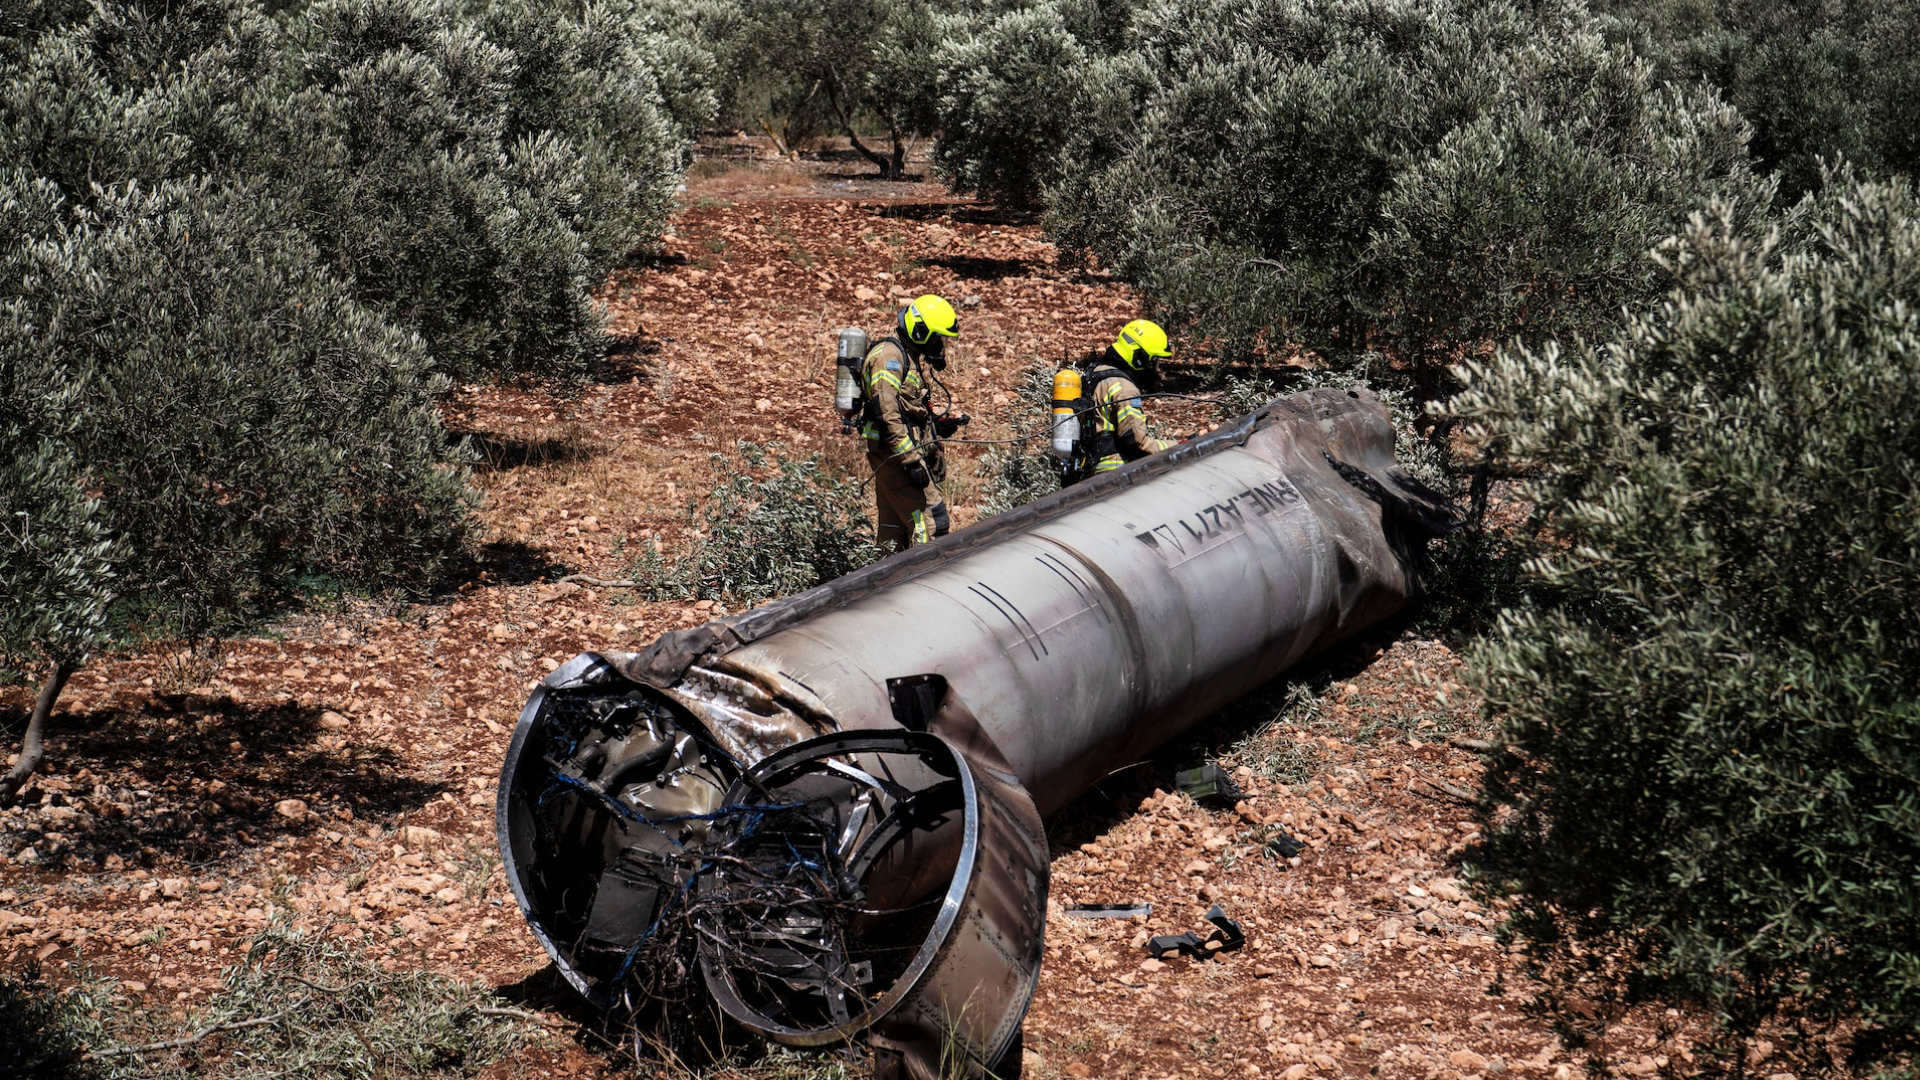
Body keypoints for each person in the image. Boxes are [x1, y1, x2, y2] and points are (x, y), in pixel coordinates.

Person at [861, 294, 968, 550]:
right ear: (920, 332)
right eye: (936, 339)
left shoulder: (907, 356)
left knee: (892, 533)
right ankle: (927, 580)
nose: (939, 346)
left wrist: (936, 429)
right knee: (932, 520)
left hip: (894, 454)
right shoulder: (889, 358)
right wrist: (911, 461)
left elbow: (907, 410)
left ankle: (884, 586)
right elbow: (886, 413)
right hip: (894, 456)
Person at [1073, 318, 1175, 481]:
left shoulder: (1096, 372)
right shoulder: (1123, 387)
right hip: (1115, 477)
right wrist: (1179, 446)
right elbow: (1137, 443)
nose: (1157, 369)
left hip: (1089, 473)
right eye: (1154, 361)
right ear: (1140, 358)